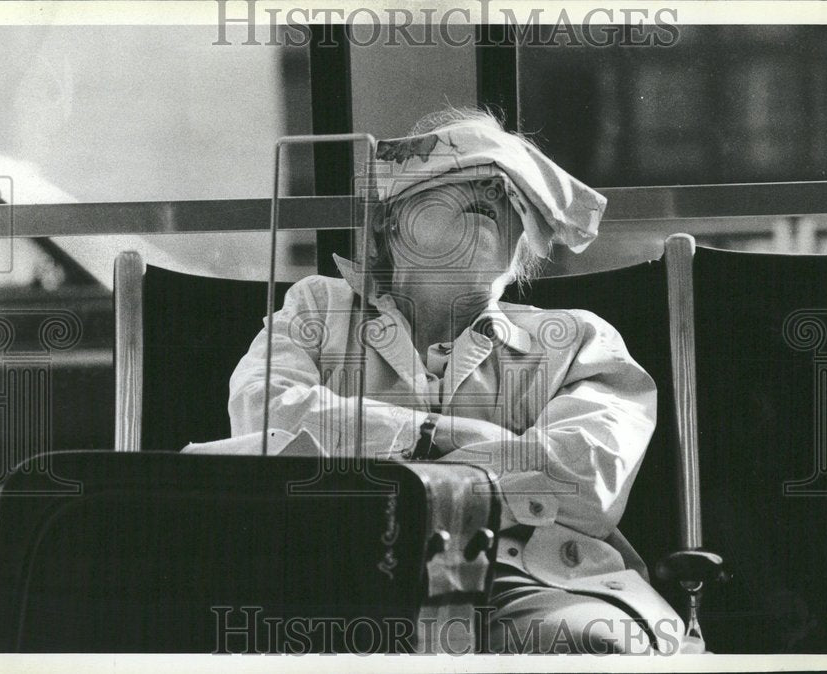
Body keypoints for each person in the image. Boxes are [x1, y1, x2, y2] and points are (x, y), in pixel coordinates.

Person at [226, 107, 696, 654]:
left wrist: (376, 451)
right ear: (388, 218)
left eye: (513, 195)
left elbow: (584, 481)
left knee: (592, 648)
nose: (495, 195)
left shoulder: (576, 340)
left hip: (529, 583)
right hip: (336, 578)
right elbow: (264, 419)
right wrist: (441, 435)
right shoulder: (317, 306)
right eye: (467, 181)